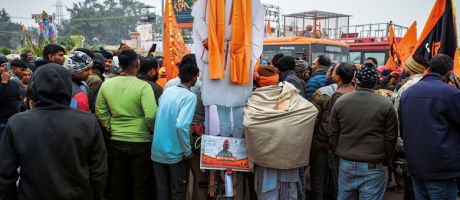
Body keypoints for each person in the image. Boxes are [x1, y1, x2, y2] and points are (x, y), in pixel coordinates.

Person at [0, 63, 107, 200]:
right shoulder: (88, 122)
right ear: (68, 87)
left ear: (34, 87)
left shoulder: (16, 123)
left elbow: (5, 174)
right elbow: (98, 171)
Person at [329, 63, 398, 200]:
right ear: (375, 83)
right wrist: (386, 161)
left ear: (356, 81)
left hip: (346, 162)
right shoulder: (386, 104)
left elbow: (333, 133)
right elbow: (391, 138)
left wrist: (338, 152)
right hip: (374, 165)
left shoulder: (341, 101)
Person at [96, 49, 157, 200]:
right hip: (141, 142)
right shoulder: (143, 87)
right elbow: (151, 115)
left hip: (117, 140)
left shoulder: (106, 85)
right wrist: (149, 131)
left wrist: (111, 127)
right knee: (140, 183)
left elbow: (100, 111)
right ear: (138, 63)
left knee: (119, 182)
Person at [399, 54, 460, 200]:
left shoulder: (408, 92)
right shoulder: (451, 93)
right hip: (441, 167)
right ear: (449, 73)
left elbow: (402, 128)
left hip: (416, 165)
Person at [151, 55, 199, 200]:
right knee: (178, 191)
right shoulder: (189, 96)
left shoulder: (168, 91)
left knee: (161, 191)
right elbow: (182, 126)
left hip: (157, 150)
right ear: (195, 78)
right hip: (174, 153)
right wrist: (187, 151)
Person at [309, 64, 338, 200]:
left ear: (335, 75)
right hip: (340, 144)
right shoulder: (353, 92)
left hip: (320, 142)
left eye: (329, 72)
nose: (326, 74)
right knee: (335, 177)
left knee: (318, 176)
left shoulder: (321, 93)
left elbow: (313, 120)